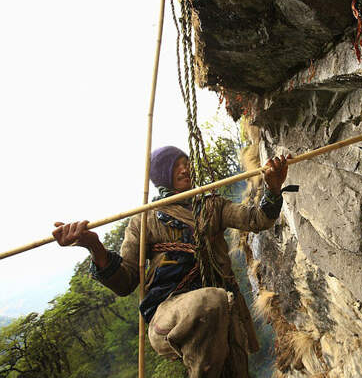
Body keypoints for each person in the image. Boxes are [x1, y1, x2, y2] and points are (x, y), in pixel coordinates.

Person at [52, 146, 291, 378]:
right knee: (210, 300)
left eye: (186, 164)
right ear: (162, 174)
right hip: (169, 315)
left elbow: (256, 219)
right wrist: (94, 246)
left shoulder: (211, 205)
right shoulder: (144, 221)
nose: (185, 169)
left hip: (224, 315)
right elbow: (125, 282)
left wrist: (272, 189)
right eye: (176, 165)